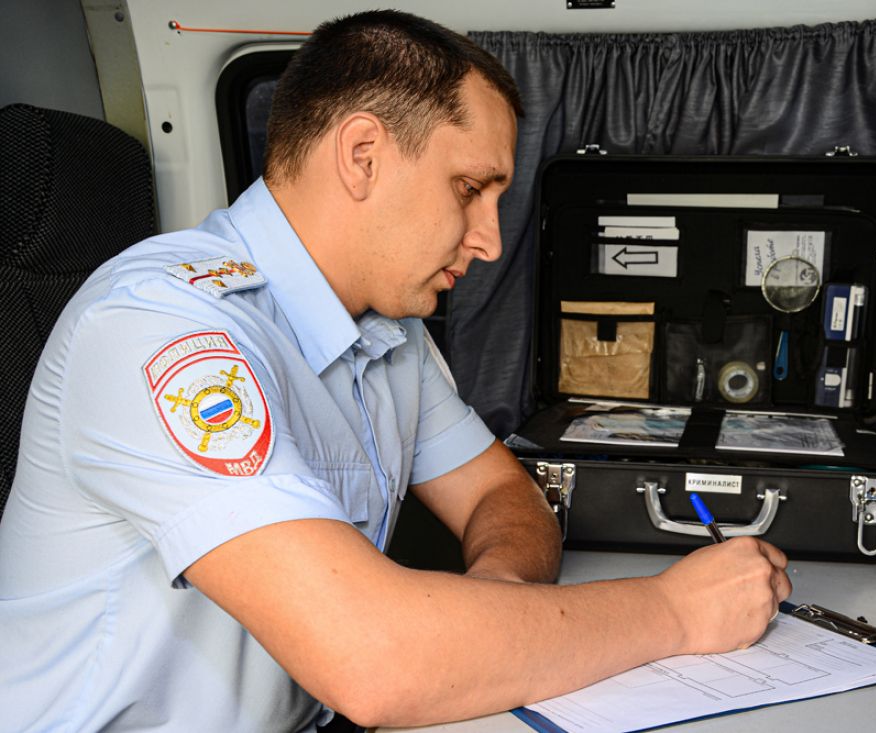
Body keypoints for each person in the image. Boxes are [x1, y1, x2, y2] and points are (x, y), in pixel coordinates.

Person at [0, 9, 791, 732]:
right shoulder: (160, 328)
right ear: (363, 155)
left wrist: (498, 612)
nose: (488, 239)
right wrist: (675, 610)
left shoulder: (388, 333)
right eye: (470, 189)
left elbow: (501, 494)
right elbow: (374, 660)